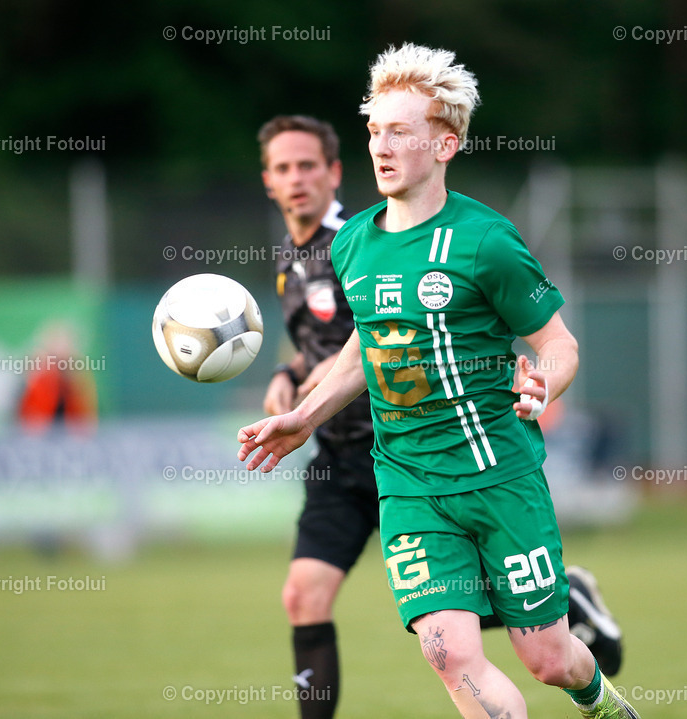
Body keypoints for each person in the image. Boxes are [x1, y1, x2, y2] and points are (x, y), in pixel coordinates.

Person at [244, 41, 637, 717]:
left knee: (546, 657)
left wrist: (542, 383)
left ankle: (601, 701)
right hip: (408, 483)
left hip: (498, 476)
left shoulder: (486, 241)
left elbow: (558, 343)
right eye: (374, 130)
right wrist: (304, 415)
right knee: (450, 653)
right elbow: (371, 343)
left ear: (445, 144)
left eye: (400, 130)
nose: (382, 145)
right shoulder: (353, 242)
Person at [257, 114, 378, 719]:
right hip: (337, 456)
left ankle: (569, 601)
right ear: (268, 182)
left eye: (308, 165)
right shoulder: (290, 255)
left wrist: (304, 381)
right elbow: (315, 347)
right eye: (283, 168)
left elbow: (375, 341)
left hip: (402, 449)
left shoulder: (360, 243)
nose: (296, 178)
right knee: (303, 596)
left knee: (459, 613)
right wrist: (286, 373)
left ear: (334, 172)